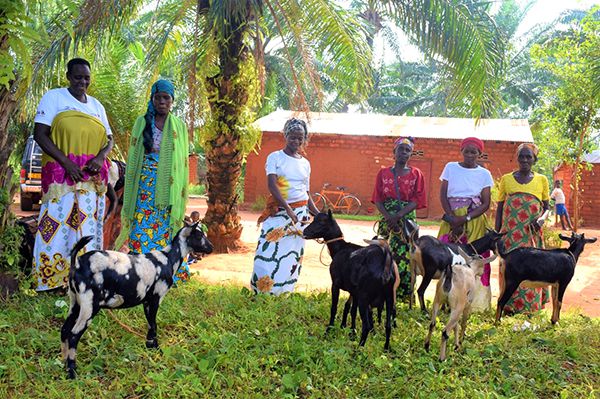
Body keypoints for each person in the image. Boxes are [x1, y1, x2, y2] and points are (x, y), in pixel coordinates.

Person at [32, 58, 113, 291]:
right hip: (61, 178)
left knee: (86, 229)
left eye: (86, 78)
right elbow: (40, 134)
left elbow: (109, 140)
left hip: (89, 180)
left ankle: (85, 281)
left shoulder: (97, 106)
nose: (82, 82)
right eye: (78, 77)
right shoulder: (54, 97)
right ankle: (50, 283)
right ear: (68, 76)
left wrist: (100, 158)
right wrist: (67, 163)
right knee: (55, 228)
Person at [115, 79, 190, 284]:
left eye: (166, 98)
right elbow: (133, 154)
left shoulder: (179, 126)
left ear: (172, 101)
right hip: (144, 185)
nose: (162, 102)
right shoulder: (142, 122)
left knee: (165, 226)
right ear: (152, 99)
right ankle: (142, 270)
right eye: (158, 98)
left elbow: (182, 162)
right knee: (141, 223)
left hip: (168, 187)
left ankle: (166, 271)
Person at [251, 118, 319, 295]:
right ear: (286, 136)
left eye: (300, 138)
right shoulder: (275, 157)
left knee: (291, 256)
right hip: (278, 212)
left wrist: (318, 214)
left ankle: (284, 292)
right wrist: (287, 208)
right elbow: (272, 186)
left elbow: (307, 192)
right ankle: (262, 292)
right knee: (266, 252)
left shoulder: (305, 163)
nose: (296, 141)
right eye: (293, 137)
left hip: (300, 215)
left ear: (304, 139)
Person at [438, 137, 494, 311]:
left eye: (474, 152)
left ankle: (475, 303)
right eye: (467, 151)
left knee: (476, 260)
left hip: (474, 220)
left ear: (480, 154)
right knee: (448, 258)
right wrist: (453, 218)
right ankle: (447, 300)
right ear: (461, 151)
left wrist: (465, 219)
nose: (470, 155)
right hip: (452, 218)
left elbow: (485, 203)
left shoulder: (484, 174)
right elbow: (443, 195)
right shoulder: (450, 168)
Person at [495, 143, 550, 314]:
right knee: (510, 268)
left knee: (532, 267)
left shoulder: (542, 180)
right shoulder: (506, 179)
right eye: (522, 156)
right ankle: (508, 307)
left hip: (530, 234)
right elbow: (500, 208)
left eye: (529, 157)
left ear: (534, 159)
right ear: (517, 158)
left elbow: (548, 208)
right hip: (510, 235)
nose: (525, 160)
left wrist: (541, 220)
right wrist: (496, 235)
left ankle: (531, 308)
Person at [372, 136, 427, 301]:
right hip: (387, 219)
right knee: (382, 252)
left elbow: (417, 199)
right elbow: (378, 198)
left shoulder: (416, 174)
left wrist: (398, 215)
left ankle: (404, 296)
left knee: (406, 256)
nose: (404, 153)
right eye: (401, 149)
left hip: (406, 220)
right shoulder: (383, 173)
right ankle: (380, 293)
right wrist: (389, 216)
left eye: (408, 150)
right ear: (393, 152)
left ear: (411, 154)